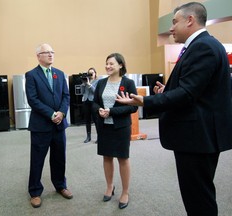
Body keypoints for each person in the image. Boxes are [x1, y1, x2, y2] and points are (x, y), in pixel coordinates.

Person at [116, 2, 232, 216]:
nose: (170, 28)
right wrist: (167, 91)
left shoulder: (203, 47)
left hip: (197, 138)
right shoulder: (203, 46)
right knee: (198, 194)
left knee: (199, 198)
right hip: (198, 136)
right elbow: (197, 90)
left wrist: (145, 101)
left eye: (174, 22)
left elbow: (188, 94)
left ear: (190, 20)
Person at [25, 43, 72, 208]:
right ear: (38, 56)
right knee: (37, 160)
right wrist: (51, 114)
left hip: (59, 125)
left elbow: (66, 96)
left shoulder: (59, 74)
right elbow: (33, 100)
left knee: (59, 158)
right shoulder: (31, 75)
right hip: (41, 126)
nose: (51, 55)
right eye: (46, 52)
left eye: (52, 52)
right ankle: (35, 191)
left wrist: (61, 113)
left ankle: (60, 185)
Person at [93, 53, 138, 209]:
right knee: (106, 157)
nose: (108, 66)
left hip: (121, 127)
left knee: (122, 158)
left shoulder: (128, 83)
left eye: (111, 63)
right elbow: (94, 102)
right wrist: (99, 109)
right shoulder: (101, 83)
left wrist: (111, 112)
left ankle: (125, 192)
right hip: (104, 126)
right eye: (106, 63)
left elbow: (133, 106)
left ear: (120, 65)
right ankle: (110, 186)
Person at [81, 67, 99, 143]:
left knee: (96, 120)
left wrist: (89, 85)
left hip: (93, 101)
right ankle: (88, 137)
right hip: (86, 101)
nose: (90, 74)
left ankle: (99, 136)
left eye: (92, 73)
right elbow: (82, 92)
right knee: (87, 120)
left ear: (95, 74)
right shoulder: (85, 81)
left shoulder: (98, 81)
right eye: (89, 73)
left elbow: (96, 92)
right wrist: (83, 84)